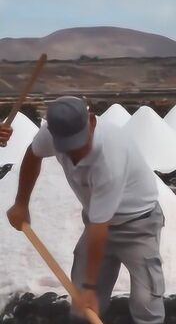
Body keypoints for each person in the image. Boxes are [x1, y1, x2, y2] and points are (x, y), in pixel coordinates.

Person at [6, 97, 165, 323]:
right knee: (83, 307)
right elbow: (34, 154)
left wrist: (91, 286)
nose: (74, 154)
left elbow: (100, 228)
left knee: (146, 301)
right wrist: (21, 202)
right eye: (67, 146)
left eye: (79, 144)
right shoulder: (53, 132)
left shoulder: (110, 156)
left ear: (91, 121)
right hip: (97, 220)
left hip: (138, 225)